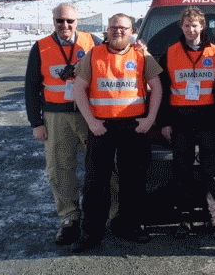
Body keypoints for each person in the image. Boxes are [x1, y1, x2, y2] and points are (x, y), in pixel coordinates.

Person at [70, 13, 162, 252]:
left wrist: (150, 119)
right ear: (107, 30)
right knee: (95, 183)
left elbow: (157, 88)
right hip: (101, 127)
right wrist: (91, 121)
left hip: (134, 127)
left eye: (123, 28)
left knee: (134, 181)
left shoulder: (142, 54)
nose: (117, 31)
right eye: (113, 27)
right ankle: (91, 233)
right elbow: (78, 88)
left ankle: (128, 226)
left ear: (132, 30)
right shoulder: (94, 54)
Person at [25, 3, 101, 245]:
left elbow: (119, 59)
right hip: (56, 117)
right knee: (60, 169)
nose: (65, 25)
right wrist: (36, 122)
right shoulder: (41, 47)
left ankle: (112, 214)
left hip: (90, 114)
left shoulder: (93, 42)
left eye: (70, 21)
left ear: (77, 21)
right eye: (60, 21)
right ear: (53, 21)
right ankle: (69, 218)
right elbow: (31, 87)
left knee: (104, 166)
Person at [158, 7, 215, 238]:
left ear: (202, 26)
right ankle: (184, 219)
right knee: (182, 172)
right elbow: (164, 91)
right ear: (181, 27)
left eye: (195, 25)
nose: (190, 29)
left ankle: (212, 218)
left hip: (208, 118)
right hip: (181, 119)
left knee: (211, 172)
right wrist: (165, 122)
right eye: (186, 25)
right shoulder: (171, 53)